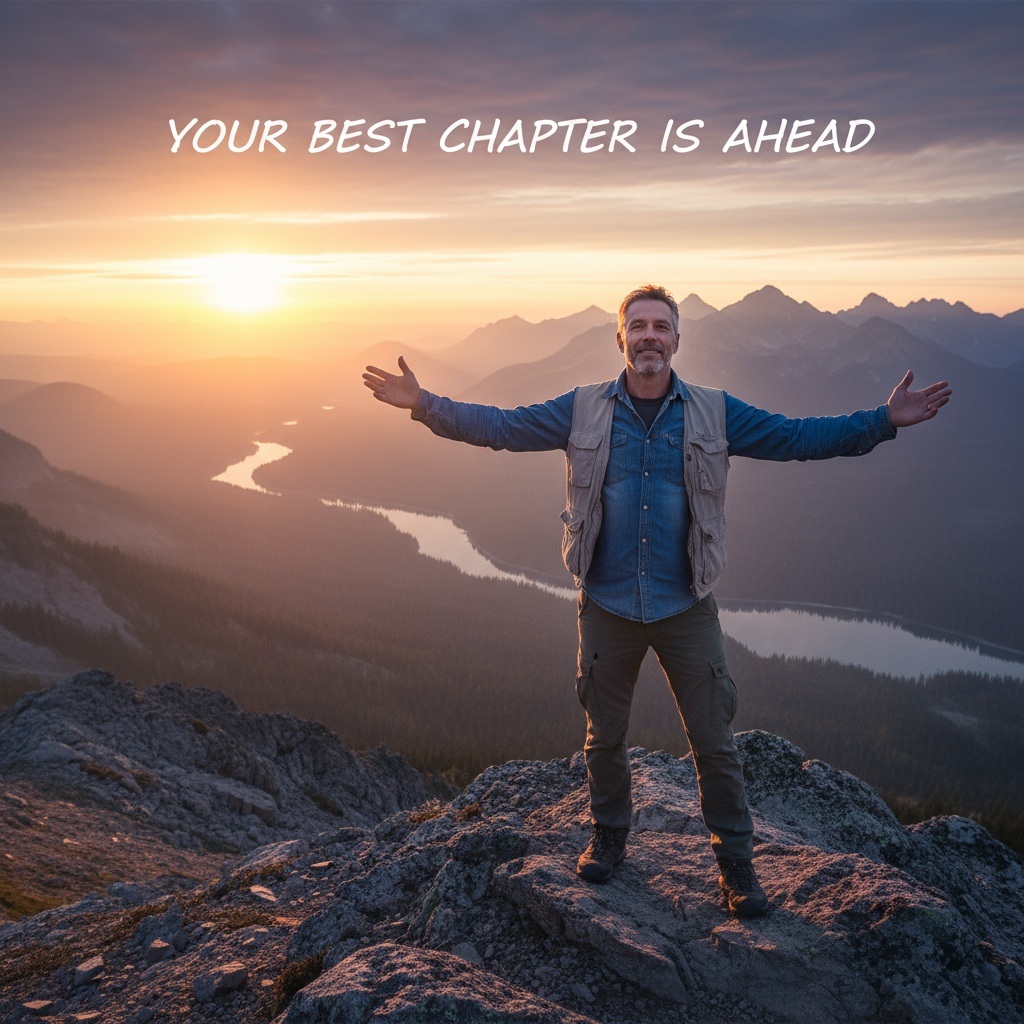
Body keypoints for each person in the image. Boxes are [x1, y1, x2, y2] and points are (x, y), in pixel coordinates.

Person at [363, 284, 951, 917]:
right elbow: (502, 427)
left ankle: (736, 866)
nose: (649, 336)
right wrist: (425, 404)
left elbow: (797, 437)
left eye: (660, 327)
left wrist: (882, 422)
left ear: (676, 339)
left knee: (714, 742)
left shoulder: (714, 412)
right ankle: (610, 837)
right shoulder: (583, 409)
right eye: (637, 326)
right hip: (607, 602)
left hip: (684, 604)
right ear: (622, 339)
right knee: (604, 736)